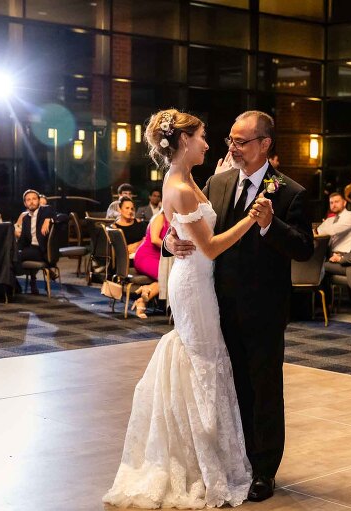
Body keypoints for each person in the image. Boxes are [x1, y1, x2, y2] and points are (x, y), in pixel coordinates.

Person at [105, 109, 261, 508]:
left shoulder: (185, 179)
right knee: (203, 360)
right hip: (194, 283)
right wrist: (250, 219)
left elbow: (173, 228)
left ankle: (200, 451)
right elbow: (208, 246)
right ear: (184, 141)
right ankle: (198, 460)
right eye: (203, 137)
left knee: (200, 357)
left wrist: (168, 241)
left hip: (195, 279)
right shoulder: (182, 186)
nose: (208, 144)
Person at [129, 210, 169, 319]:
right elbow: (155, 240)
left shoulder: (174, 220)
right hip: (145, 256)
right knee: (167, 277)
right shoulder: (160, 217)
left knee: (172, 275)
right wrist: (172, 249)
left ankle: (145, 291)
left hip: (159, 259)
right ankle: (142, 301)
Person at [14, 189, 55, 294]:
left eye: (34, 199)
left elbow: (64, 217)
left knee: (17, 257)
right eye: (28, 200)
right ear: (25, 203)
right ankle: (14, 283)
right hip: (32, 249)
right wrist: (14, 249)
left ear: (38, 200)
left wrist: (49, 219)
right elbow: (22, 240)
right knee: (12, 254)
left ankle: (15, 282)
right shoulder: (26, 219)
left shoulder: (45, 211)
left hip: (43, 250)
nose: (31, 202)